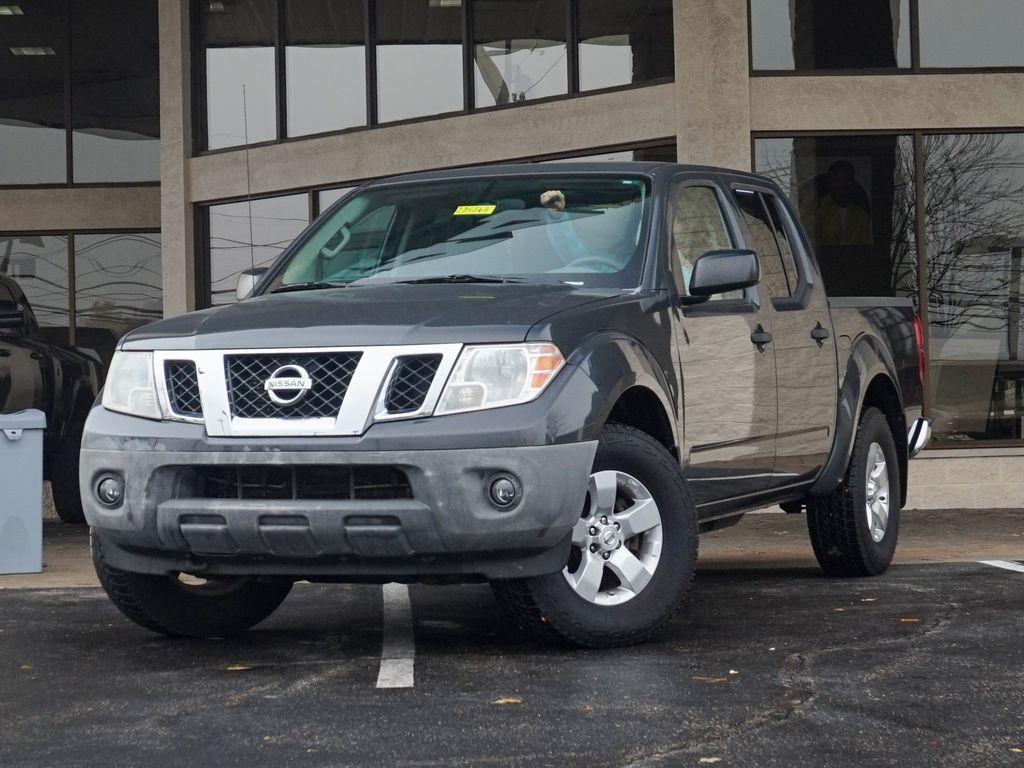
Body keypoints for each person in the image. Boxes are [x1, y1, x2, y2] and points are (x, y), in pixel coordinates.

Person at [817, 160, 872, 246]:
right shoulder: (816, 211)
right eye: (837, 180)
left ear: (853, 183)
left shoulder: (862, 215)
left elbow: (868, 248)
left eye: (846, 180)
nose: (842, 184)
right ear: (830, 183)